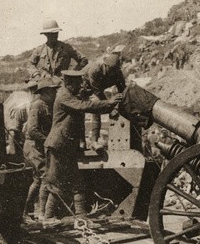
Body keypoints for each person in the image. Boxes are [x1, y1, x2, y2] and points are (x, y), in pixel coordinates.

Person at [43, 69, 123, 220]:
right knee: (56, 183)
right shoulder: (64, 96)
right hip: (58, 145)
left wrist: (109, 104)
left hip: (68, 146)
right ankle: (47, 218)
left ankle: (81, 215)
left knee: (77, 182)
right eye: (76, 83)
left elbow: (82, 115)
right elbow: (84, 106)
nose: (80, 86)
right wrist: (109, 102)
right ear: (68, 83)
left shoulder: (72, 95)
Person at [23, 77, 60, 221]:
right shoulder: (37, 105)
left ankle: (36, 212)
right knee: (44, 177)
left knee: (40, 179)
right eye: (52, 91)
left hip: (40, 146)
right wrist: (48, 140)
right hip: (33, 146)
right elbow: (32, 130)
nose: (55, 94)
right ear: (45, 92)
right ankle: (40, 213)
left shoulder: (49, 105)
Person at [82, 51, 127, 150]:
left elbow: (123, 89)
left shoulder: (117, 72)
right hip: (84, 88)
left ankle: (95, 141)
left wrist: (121, 105)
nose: (113, 73)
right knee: (96, 106)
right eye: (111, 70)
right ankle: (90, 141)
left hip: (97, 90)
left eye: (115, 71)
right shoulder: (95, 70)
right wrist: (111, 109)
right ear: (105, 66)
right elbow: (98, 93)